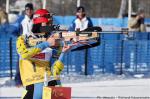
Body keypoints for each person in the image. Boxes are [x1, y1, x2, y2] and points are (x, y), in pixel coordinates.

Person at [16, 9, 73, 99]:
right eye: (47, 24)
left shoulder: (54, 42)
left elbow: (55, 70)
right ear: (39, 23)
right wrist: (46, 44)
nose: (49, 26)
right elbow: (24, 54)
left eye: (50, 24)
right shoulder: (23, 39)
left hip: (52, 83)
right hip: (33, 86)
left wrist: (63, 53)